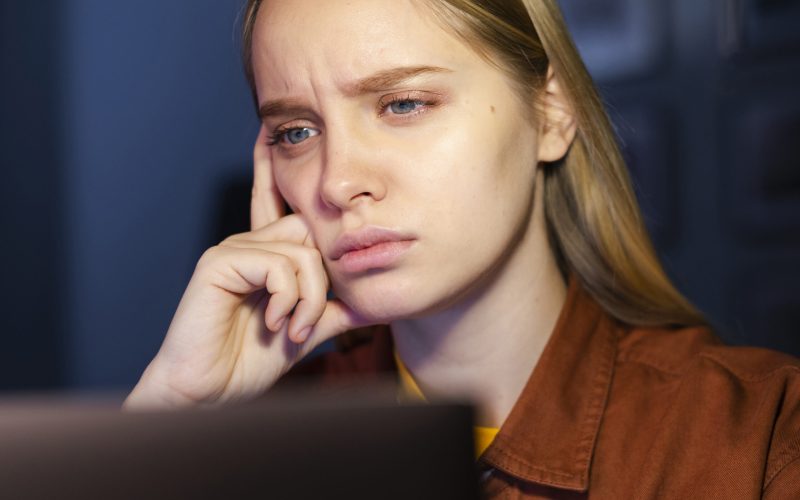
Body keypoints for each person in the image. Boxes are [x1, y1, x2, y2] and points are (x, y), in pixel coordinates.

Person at [125, 0, 800, 497]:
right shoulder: (250, 449)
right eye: (297, 131)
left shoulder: (759, 439)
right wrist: (172, 417)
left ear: (550, 113)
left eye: (404, 104)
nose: (337, 182)